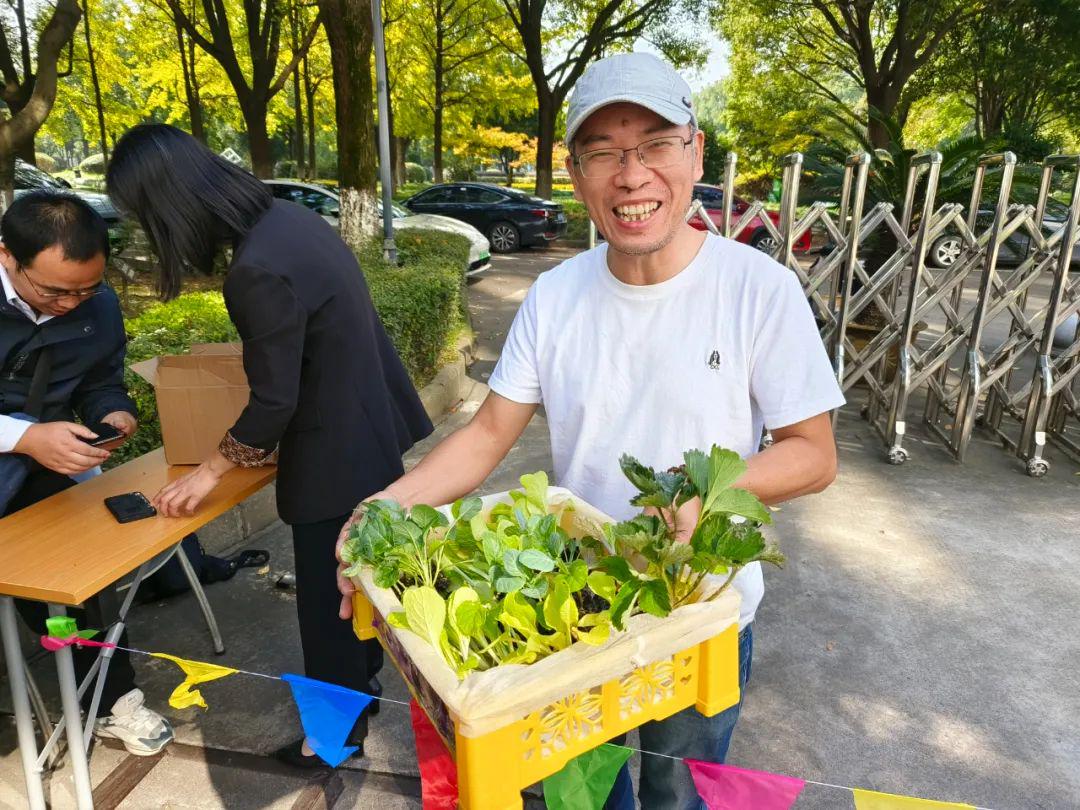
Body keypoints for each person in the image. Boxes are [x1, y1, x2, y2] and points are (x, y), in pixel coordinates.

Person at [336, 52, 845, 808]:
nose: (631, 175)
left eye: (654, 145)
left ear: (695, 152)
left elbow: (813, 456)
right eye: (603, 152)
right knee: (588, 796)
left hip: (702, 612)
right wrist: (387, 505)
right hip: (578, 615)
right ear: (575, 175)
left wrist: (710, 495)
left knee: (681, 794)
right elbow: (485, 436)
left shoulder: (757, 289)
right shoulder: (555, 297)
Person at [104, 125, 434, 767]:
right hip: (368, 427)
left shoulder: (255, 268)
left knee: (328, 602)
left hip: (332, 453)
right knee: (357, 586)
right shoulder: (287, 220)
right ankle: (358, 701)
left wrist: (209, 470)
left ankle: (334, 742)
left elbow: (274, 401)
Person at [0, 190, 174, 756]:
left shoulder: (96, 308)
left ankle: (108, 700)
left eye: (86, 288)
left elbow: (101, 378)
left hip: (38, 474)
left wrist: (111, 412)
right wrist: (24, 436)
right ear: (7, 256)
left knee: (74, 588)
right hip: (28, 451)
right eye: (53, 291)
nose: (72, 303)